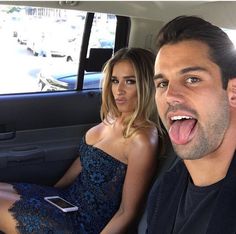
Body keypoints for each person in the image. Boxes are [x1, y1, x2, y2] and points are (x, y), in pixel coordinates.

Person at [0, 48, 159, 234]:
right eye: (115, 81)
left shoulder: (143, 140)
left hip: (83, 223)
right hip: (65, 200)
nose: (119, 90)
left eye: (130, 81)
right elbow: (83, 160)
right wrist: (49, 193)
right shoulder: (113, 116)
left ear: (146, 85)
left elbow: (127, 212)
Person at [146, 16, 236, 233]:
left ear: (232, 93)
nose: (170, 96)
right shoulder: (164, 189)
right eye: (163, 83)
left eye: (192, 79)